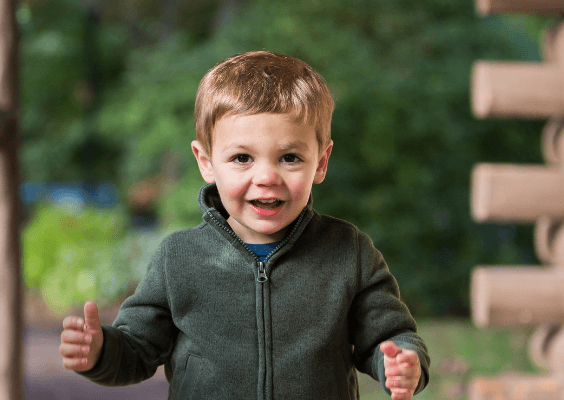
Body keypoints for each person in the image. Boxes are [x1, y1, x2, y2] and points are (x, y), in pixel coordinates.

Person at [59, 51, 430, 400]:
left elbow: (390, 335)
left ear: (321, 161)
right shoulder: (179, 258)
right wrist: (101, 351)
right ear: (206, 162)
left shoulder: (348, 252)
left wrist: (400, 363)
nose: (266, 176)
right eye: (242, 158)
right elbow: (137, 349)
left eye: (289, 157)